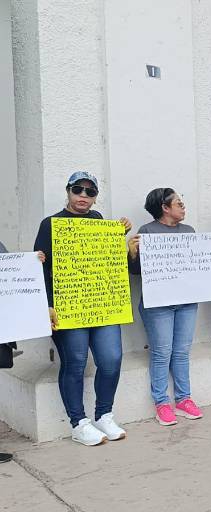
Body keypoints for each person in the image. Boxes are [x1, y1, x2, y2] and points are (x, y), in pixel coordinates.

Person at [34, 171, 131, 446]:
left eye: (90, 192)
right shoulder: (49, 224)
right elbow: (40, 269)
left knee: (111, 359)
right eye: (78, 190)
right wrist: (48, 305)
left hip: (102, 303)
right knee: (75, 362)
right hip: (67, 306)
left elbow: (107, 262)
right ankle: (78, 422)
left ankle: (104, 414)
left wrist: (119, 236)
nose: (83, 196)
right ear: (68, 191)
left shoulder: (100, 221)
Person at [128, 188, 204, 426]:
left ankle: (183, 398)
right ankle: (161, 402)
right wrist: (132, 253)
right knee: (162, 353)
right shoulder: (147, 232)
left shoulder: (189, 231)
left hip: (186, 303)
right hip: (158, 304)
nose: (183, 207)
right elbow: (137, 271)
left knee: (181, 352)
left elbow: (198, 263)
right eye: (179, 203)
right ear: (165, 207)